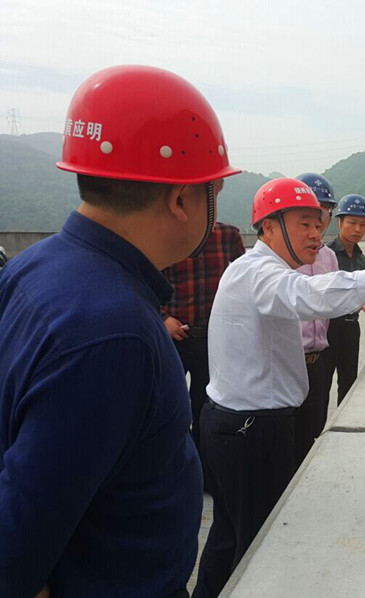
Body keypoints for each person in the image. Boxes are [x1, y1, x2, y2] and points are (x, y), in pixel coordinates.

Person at [0, 65, 240, 598]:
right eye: (214, 191)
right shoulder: (115, 335)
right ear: (181, 200)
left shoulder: (31, 267)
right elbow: (14, 554)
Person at [194, 178, 365, 598]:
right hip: (250, 432)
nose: (315, 234)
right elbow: (307, 296)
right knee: (254, 548)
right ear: (268, 227)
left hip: (237, 426)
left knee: (229, 537)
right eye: (303, 224)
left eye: (318, 223)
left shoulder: (254, 270)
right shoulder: (259, 273)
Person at [162, 222, 245, 458]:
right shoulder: (166, 234)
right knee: (169, 407)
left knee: (207, 408)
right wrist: (162, 318)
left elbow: (245, 279)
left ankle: (204, 466)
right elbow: (144, 281)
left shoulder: (228, 236)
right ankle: (175, 462)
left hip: (213, 339)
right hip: (173, 340)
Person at [293, 172, 338, 467]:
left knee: (312, 430)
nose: (319, 219)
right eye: (310, 213)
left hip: (317, 361)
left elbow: (332, 302)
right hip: (288, 363)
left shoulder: (329, 258)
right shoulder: (280, 259)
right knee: (284, 438)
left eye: (324, 211)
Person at [322, 193, 365, 405]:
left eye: (363, 224)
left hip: (351, 327)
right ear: (339, 222)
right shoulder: (325, 254)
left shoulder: (360, 257)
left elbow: (359, 292)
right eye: (352, 223)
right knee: (322, 385)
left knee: (349, 383)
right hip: (328, 327)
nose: (358, 229)